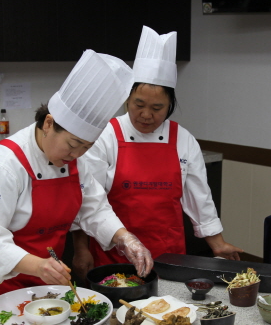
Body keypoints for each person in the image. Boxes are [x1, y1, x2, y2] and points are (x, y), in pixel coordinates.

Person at [0, 50, 154, 318]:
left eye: (86, 147)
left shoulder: (76, 159)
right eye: (73, 145)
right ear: (49, 123)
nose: (76, 156)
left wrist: (126, 238)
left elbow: (94, 209)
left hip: (46, 278)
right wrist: (38, 266)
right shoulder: (4, 165)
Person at [72, 26, 242, 278]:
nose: (146, 115)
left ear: (170, 105)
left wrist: (217, 244)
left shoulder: (182, 139)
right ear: (127, 99)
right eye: (138, 104)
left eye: (157, 108)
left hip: (169, 255)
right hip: (115, 254)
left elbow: (200, 198)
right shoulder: (106, 135)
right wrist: (80, 248)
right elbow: (87, 199)